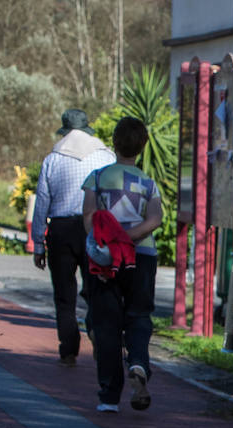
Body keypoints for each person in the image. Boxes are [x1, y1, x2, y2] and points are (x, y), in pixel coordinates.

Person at [80, 117, 162, 412]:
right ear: (142, 147)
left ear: (114, 143)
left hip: (106, 260)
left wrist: (111, 241)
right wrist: (130, 237)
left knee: (106, 324)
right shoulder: (148, 184)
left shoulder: (98, 178)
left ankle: (109, 395)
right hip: (142, 258)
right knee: (139, 315)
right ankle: (139, 364)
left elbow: (89, 217)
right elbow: (155, 219)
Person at [31, 109, 116, 366]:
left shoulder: (52, 160)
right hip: (95, 228)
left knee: (64, 294)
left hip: (61, 230)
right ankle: (97, 334)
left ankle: (68, 349)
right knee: (97, 288)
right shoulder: (106, 157)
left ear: (65, 132)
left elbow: (42, 202)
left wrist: (38, 243)